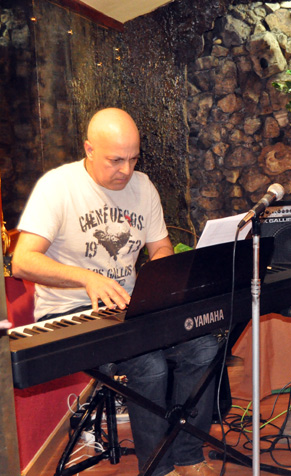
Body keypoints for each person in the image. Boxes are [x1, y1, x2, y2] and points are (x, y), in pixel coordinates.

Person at [12, 108, 219, 476]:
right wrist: (86, 279)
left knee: (204, 346)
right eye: (116, 160)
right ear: (89, 150)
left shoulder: (143, 187)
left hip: (127, 308)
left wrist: (159, 279)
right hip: (71, 312)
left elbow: (161, 248)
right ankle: (157, 468)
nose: (126, 169)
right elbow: (23, 262)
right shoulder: (57, 188)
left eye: (133, 158)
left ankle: (188, 455)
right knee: (149, 364)